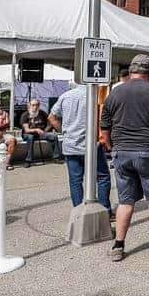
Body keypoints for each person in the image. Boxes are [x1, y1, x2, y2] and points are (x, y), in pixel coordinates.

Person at [100, 54, 149, 262]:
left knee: (125, 201)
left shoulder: (115, 93)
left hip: (122, 152)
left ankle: (118, 246)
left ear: (131, 71)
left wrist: (110, 146)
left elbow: (105, 126)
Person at [49, 84, 112, 215]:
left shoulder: (64, 96)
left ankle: (78, 212)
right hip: (92, 145)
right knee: (102, 177)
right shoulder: (96, 96)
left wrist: (63, 131)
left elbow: (52, 117)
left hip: (70, 145)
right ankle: (105, 210)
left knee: (75, 180)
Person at [20, 99, 62, 167]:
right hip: (27, 134)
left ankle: (56, 157)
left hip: (40, 134)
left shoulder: (42, 113)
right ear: (29, 106)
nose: (35, 107)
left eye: (37, 105)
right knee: (30, 137)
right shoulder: (25, 115)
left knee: (53, 136)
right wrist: (36, 130)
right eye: (33, 105)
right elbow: (27, 130)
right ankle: (28, 160)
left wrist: (45, 130)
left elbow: (50, 122)